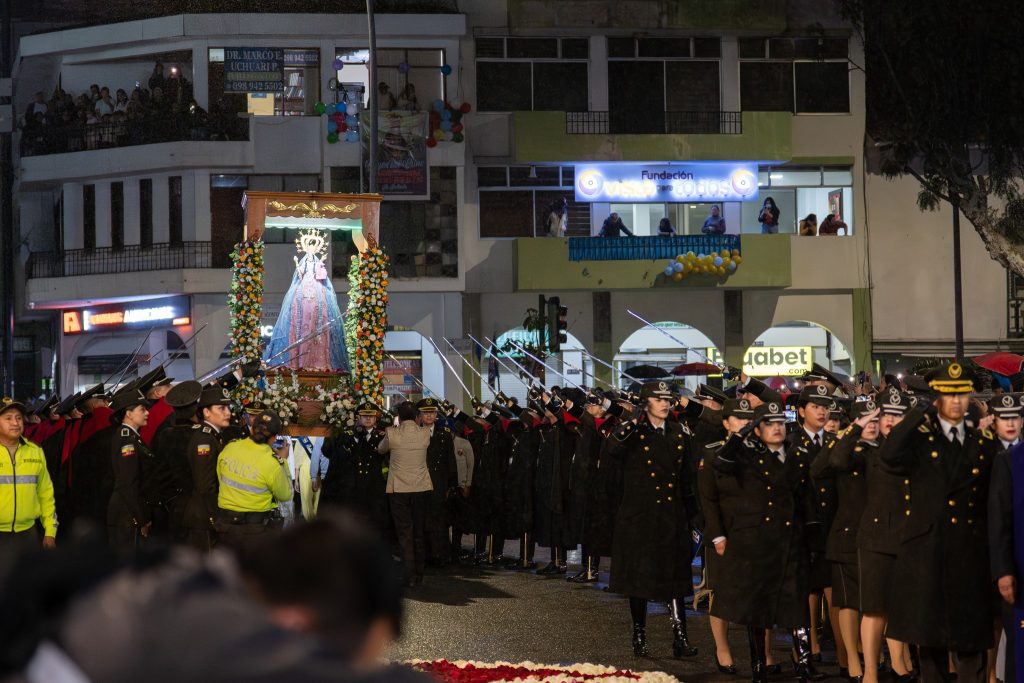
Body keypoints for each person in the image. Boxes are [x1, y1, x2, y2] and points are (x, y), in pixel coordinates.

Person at [881, 362, 1001, 683]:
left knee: (970, 646)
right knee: (929, 645)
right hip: (926, 553)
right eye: (948, 395)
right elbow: (889, 455)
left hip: (969, 554)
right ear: (937, 399)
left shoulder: (982, 442)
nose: (956, 402)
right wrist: (919, 412)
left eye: (962, 394)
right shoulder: (921, 439)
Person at [712, 399, 824, 683]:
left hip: (791, 540)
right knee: (758, 608)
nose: (776, 429)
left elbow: (807, 500)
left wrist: (813, 539)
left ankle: (804, 663)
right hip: (758, 542)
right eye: (769, 424)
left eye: (780, 424)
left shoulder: (796, 454)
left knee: (796, 603)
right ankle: (759, 665)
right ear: (757, 430)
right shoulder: (746, 457)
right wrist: (741, 434)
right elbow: (722, 463)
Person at [606, 381, 698, 660]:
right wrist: (633, 420)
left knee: (675, 578)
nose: (665, 403)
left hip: (671, 516)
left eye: (668, 399)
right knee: (639, 579)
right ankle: (639, 634)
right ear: (646, 403)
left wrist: (693, 520)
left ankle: (680, 636)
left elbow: (687, 480)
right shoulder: (633, 432)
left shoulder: (679, 433)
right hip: (640, 516)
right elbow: (613, 450)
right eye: (658, 399)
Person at [811, 399, 881, 682]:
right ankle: (852, 658)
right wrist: (851, 433)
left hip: (878, 535)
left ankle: (877, 656)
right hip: (847, 535)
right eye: (866, 420)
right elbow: (820, 468)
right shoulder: (844, 449)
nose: (872, 425)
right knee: (849, 602)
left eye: (876, 419)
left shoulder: (885, 449)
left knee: (876, 602)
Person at [858, 389, 915, 683]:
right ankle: (869, 671)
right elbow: (833, 463)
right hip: (876, 538)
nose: (892, 420)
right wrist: (857, 427)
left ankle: (899, 664)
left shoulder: (918, 449)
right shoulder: (867, 449)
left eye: (899, 415)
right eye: (887, 415)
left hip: (909, 537)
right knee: (874, 609)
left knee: (902, 607)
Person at [698, 397, 755, 675]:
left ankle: (764, 653)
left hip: (754, 530)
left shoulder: (760, 449)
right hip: (725, 532)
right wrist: (718, 535)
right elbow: (708, 499)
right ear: (725, 423)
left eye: (748, 418)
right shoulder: (712, 453)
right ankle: (722, 649)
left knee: (758, 591)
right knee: (721, 592)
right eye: (738, 418)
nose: (744, 422)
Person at [262, 228, 349, 371]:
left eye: (313, 246)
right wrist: (297, 265)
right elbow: (300, 275)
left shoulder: (317, 262)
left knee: (319, 314)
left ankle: (318, 359)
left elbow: (321, 276)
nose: (311, 249)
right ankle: (297, 360)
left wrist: (321, 263)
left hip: (316, 289)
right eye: (309, 246)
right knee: (300, 316)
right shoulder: (304, 262)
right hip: (304, 289)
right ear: (306, 247)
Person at [215, 410, 292, 557]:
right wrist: (283, 461)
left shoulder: (230, 447)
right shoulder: (273, 463)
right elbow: (285, 495)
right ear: (274, 437)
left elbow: (220, 477)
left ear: (251, 428)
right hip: (255, 531)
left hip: (224, 528)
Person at [379, 401, 432, 586]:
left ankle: (409, 575)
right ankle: (420, 572)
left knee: (405, 533)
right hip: (420, 488)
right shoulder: (426, 434)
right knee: (419, 530)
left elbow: (381, 449)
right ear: (417, 417)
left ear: (399, 418)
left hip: (399, 489)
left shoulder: (392, 433)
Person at [0, 397, 57, 563]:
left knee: (27, 586)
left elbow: (46, 495)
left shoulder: (35, 451)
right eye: (8, 418)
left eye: (18, 418)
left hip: (28, 534)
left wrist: (50, 532)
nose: (15, 423)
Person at [182, 387, 233, 551]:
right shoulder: (204, 440)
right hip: (204, 517)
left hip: (206, 515)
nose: (228, 413)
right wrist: (216, 518)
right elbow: (204, 485)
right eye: (221, 408)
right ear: (206, 412)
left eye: (228, 408)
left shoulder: (213, 436)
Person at [107, 389, 153, 553]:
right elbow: (128, 483)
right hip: (126, 514)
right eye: (142, 409)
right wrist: (141, 519)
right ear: (129, 414)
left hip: (127, 512)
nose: (147, 413)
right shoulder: (127, 439)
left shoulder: (132, 437)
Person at [417, 398, 458, 567]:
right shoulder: (415, 434)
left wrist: (452, 485)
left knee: (439, 522)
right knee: (422, 521)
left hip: (439, 484)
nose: (429, 416)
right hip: (419, 483)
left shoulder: (444, 435)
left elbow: (451, 461)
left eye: (432, 412)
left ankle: (439, 555)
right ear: (419, 415)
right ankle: (424, 555)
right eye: (426, 412)